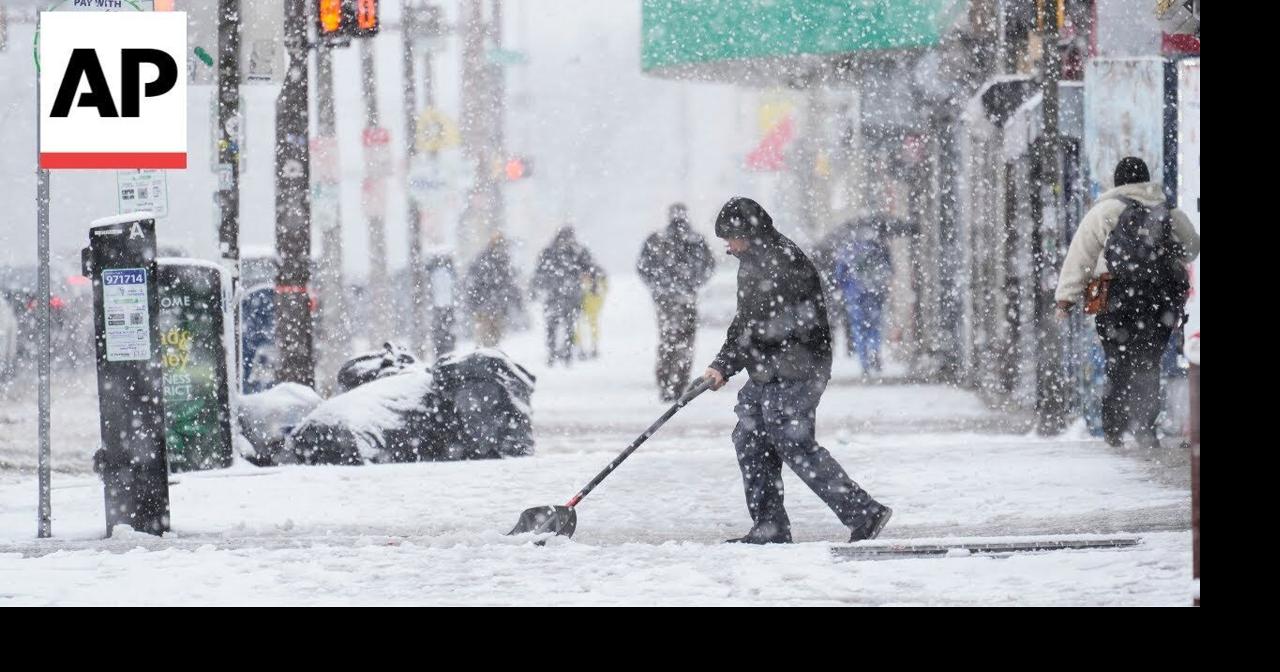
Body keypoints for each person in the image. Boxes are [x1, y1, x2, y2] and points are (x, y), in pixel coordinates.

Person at [701, 197, 892, 544]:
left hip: (797, 367)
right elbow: (746, 322)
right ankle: (769, 526)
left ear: (748, 232)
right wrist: (721, 363)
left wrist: (726, 365)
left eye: (730, 237)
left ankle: (863, 513)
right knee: (750, 437)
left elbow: (762, 328)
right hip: (769, 368)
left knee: (793, 442)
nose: (728, 246)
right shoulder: (755, 260)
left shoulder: (780, 262)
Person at [1055, 157, 1200, 449]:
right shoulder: (1169, 212)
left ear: (1118, 181)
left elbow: (1080, 256)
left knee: (1117, 360)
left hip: (1116, 298)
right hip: (1159, 300)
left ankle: (1114, 425)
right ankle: (1144, 426)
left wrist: (1065, 299)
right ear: (1147, 180)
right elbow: (1192, 249)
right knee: (1149, 362)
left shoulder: (1106, 210)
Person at [637, 203, 716, 401]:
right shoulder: (695, 240)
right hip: (685, 296)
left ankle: (666, 382)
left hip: (665, 297)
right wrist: (693, 283)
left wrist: (658, 285)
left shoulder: (658, 239)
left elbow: (643, 267)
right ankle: (679, 382)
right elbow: (708, 265)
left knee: (668, 339)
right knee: (686, 341)